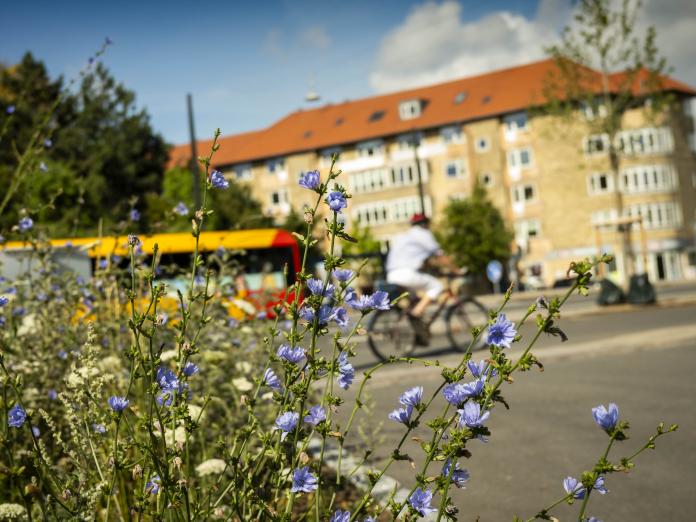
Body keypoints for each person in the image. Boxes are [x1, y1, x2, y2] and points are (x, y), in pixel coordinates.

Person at [385, 213, 459, 344]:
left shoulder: (404, 236)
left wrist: (433, 268)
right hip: (406, 274)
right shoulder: (424, 234)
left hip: (391, 274)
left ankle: (418, 330)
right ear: (425, 224)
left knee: (415, 298)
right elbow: (440, 256)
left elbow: (422, 261)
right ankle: (416, 314)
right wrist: (456, 270)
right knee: (437, 286)